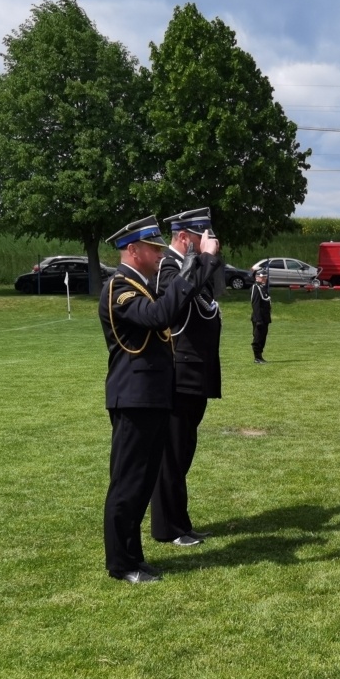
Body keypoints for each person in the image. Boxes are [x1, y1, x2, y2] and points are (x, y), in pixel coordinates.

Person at [98, 214, 220, 583]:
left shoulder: (143, 284)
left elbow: (174, 307)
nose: (156, 254)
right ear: (132, 251)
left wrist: (200, 265)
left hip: (151, 398)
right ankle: (121, 564)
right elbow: (159, 315)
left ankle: (135, 557)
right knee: (128, 484)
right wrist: (193, 264)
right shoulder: (121, 288)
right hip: (133, 399)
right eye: (151, 249)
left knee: (143, 481)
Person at [151, 208, 223, 548]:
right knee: (172, 453)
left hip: (196, 372)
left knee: (184, 452)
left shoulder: (190, 267)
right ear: (184, 238)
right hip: (179, 374)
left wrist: (204, 262)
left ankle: (181, 522)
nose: (208, 243)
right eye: (201, 237)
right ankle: (168, 527)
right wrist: (206, 260)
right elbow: (177, 303)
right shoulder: (168, 267)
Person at [249, 268, 272, 364]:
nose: (265, 279)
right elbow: (255, 304)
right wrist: (258, 319)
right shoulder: (256, 287)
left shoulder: (263, 288)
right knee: (258, 337)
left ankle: (260, 356)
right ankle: (257, 357)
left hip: (265, 317)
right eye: (264, 277)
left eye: (266, 277)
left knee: (263, 337)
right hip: (259, 318)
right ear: (258, 277)